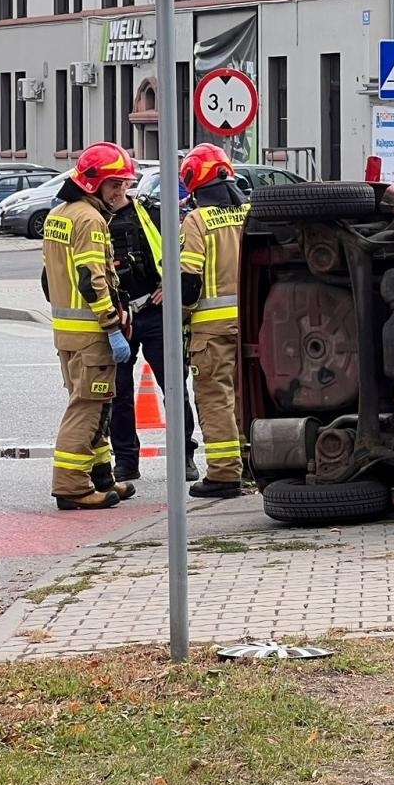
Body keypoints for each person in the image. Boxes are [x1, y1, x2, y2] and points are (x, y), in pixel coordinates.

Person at [43, 142, 138, 511]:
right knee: (87, 406)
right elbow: (91, 278)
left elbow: (49, 278)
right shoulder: (90, 220)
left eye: (124, 184)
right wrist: (112, 325)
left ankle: (101, 476)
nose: (121, 192)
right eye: (115, 184)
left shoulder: (59, 215)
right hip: (92, 334)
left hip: (68, 331)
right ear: (92, 183)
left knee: (97, 406)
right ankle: (72, 486)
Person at [107, 188, 201, 483]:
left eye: (118, 183)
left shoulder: (150, 214)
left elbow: (180, 253)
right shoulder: (95, 218)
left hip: (154, 313)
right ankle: (125, 460)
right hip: (118, 317)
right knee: (118, 392)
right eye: (109, 183)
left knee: (174, 387)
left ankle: (184, 455)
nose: (113, 190)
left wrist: (169, 283)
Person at [179, 143, 249, 498]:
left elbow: (188, 281)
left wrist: (178, 316)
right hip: (252, 324)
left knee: (214, 396)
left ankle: (223, 474)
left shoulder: (198, 220)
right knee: (244, 396)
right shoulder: (249, 213)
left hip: (211, 329)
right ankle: (250, 464)